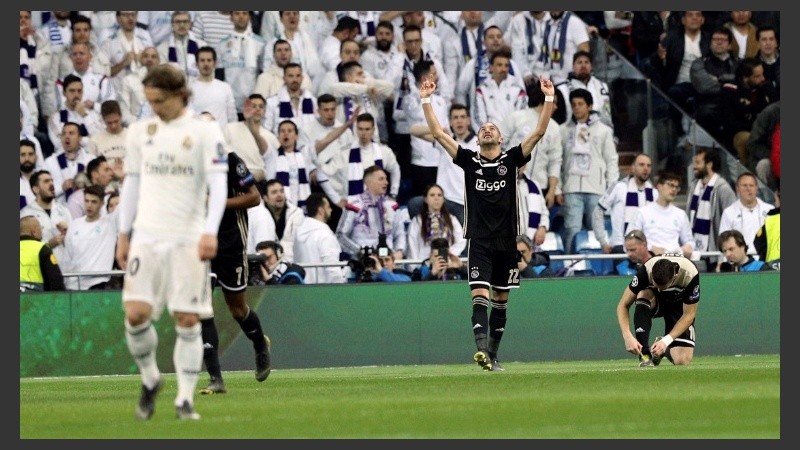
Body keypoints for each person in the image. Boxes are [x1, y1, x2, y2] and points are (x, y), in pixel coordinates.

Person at [420, 73, 555, 371]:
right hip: (479, 240)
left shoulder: (511, 160)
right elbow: (440, 134)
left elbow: (539, 132)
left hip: (507, 242)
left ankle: (493, 355)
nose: (487, 131)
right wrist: (426, 99)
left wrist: (548, 98)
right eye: (483, 129)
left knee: (501, 301)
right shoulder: (469, 160)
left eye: (492, 128)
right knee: (479, 295)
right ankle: (481, 351)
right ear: (479, 138)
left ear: (501, 138)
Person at [115, 64, 228, 421]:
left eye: (159, 101)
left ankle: (184, 399)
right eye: (148, 101)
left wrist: (210, 230)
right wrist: (123, 231)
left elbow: (219, 184)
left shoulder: (205, 131)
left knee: (187, 318)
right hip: (147, 235)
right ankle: (151, 379)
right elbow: (131, 183)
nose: (154, 108)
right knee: (135, 314)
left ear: (181, 95)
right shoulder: (139, 132)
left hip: (187, 237)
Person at [197, 140, 272, 396]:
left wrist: (217, 203)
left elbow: (254, 197)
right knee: (202, 307)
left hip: (230, 242)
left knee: (237, 308)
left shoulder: (229, 160)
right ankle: (215, 378)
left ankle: (260, 344)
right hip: (200, 243)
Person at [615, 253, 700, 368]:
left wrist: (666, 341)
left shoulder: (690, 273)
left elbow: (689, 315)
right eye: (656, 285)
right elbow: (623, 305)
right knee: (643, 294)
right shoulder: (646, 270)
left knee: (682, 360)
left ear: (674, 277)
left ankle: (661, 347)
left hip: (679, 305)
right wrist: (627, 336)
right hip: (655, 301)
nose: (659, 289)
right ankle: (645, 355)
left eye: (662, 287)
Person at [591, 153, 657, 255]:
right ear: (633, 168)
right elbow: (598, 211)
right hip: (621, 246)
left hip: (647, 248)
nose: (645, 168)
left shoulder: (654, 193)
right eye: (641, 164)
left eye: (648, 165)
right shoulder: (619, 187)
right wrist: (602, 241)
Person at [685, 147, 736, 267]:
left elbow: (731, 221)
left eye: (697, 163)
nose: (694, 167)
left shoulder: (723, 189)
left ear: (709, 164)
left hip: (714, 252)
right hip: (694, 251)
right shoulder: (693, 187)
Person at [627, 171, 694, 259]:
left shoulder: (681, 214)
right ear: (659, 186)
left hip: (675, 262)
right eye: (670, 185)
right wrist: (650, 248)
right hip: (650, 260)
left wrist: (688, 247)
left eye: (676, 187)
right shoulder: (643, 212)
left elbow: (689, 241)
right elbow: (630, 239)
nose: (674, 189)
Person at [63, 184, 118, 290]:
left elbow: (125, 207)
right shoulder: (75, 224)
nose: (89, 205)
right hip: (74, 284)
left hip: (98, 283)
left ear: (102, 203)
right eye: (86, 201)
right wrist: (65, 282)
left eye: (94, 202)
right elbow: (67, 257)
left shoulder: (110, 224)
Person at [293, 192, 347, 284]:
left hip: (302, 288)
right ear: (321, 210)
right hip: (323, 291)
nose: (331, 210)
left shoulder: (297, 233)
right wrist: (341, 287)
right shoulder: (325, 235)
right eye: (328, 207)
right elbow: (332, 266)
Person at [406, 184, 466, 264]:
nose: (436, 198)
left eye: (439, 195)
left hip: (448, 262)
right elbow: (412, 245)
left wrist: (449, 255)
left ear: (443, 199)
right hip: (425, 264)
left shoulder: (451, 219)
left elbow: (461, 240)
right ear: (426, 199)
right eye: (432, 195)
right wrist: (416, 268)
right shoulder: (417, 221)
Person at [717, 172, 774, 257]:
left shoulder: (770, 210)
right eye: (744, 185)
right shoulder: (729, 212)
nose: (748, 189)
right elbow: (724, 242)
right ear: (737, 188)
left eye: (751, 185)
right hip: (741, 263)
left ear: (756, 188)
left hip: (767, 261)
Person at [20, 215, 66, 292]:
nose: (42, 230)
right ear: (33, 232)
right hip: (35, 299)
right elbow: (55, 280)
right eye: (40, 228)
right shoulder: (42, 248)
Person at [753, 187, 780, 270]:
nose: (775, 203)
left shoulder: (771, 221)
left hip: (773, 270)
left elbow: (758, 244)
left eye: (775, 200)